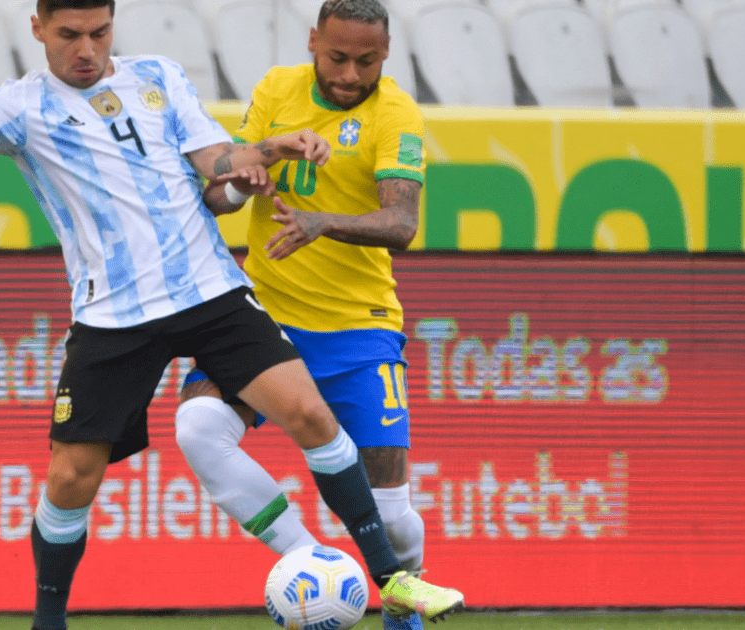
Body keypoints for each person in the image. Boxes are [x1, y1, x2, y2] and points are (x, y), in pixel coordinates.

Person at [0, 1, 460, 628]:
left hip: (209, 291)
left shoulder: (158, 76)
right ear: (38, 30)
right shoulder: (17, 106)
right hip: (113, 314)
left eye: (100, 33)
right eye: (70, 35)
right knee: (71, 478)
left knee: (310, 414)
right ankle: (47, 620)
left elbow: (215, 165)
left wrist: (267, 151)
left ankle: (393, 580)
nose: (87, 49)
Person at [173, 0, 460, 628]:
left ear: (386, 55)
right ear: (312, 42)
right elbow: (216, 194)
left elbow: (403, 224)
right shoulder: (278, 90)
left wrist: (321, 222)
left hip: (359, 326)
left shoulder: (396, 116)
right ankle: (307, 557)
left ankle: (402, 614)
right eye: (337, 58)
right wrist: (253, 173)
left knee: (389, 511)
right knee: (197, 427)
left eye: (366, 61)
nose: (350, 75)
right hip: (264, 319)